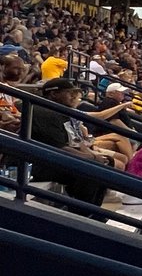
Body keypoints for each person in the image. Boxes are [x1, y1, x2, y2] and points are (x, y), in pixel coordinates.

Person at [28, 77, 112, 214]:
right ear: (53, 94)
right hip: (43, 162)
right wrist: (91, 158)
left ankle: (94, 212)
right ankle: (80, 215)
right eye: (69, 93)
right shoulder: (45, 112)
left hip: (57, 157)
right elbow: (59, 147)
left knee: (105, 163)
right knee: (91, 169)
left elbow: (75, 141)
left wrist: (93, 155)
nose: (74, 97)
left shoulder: (61, 112)